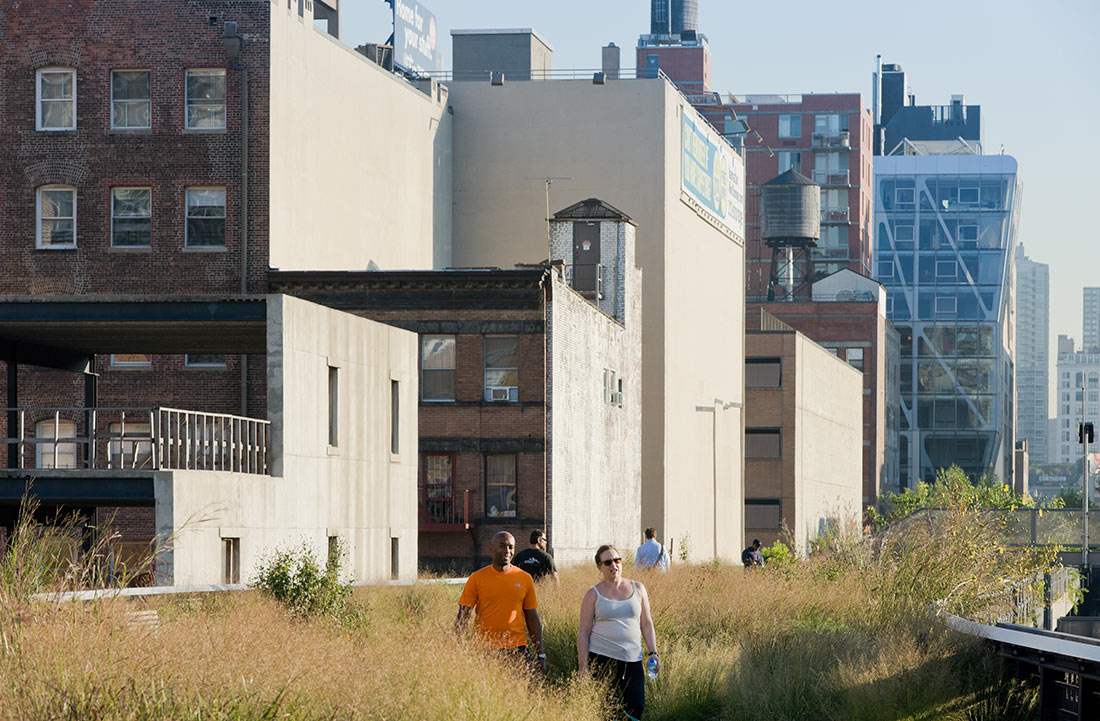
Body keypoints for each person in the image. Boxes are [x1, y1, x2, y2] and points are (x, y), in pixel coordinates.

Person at [578, 544, 659, 721]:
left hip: (633, 658)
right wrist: (583, 667)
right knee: (608, 708)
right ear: (599, 567)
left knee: (637, 705)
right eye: (608, 562)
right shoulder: (593, 594)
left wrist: (653, 653)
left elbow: (646, 623)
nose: (614, 565)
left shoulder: (638, 588)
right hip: (602, 658)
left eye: (617, 560)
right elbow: (584, 631)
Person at [456, 531, 547, 673]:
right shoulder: (477, 578)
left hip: (517, 648)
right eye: (502, 546)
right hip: (485, 649)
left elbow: (532, 617)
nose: (507, 551)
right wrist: (458, 649)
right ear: (491, 548)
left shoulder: (524, 578)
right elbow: (463, 615)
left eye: (511, 547)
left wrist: (540, 654)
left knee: (525, 692)